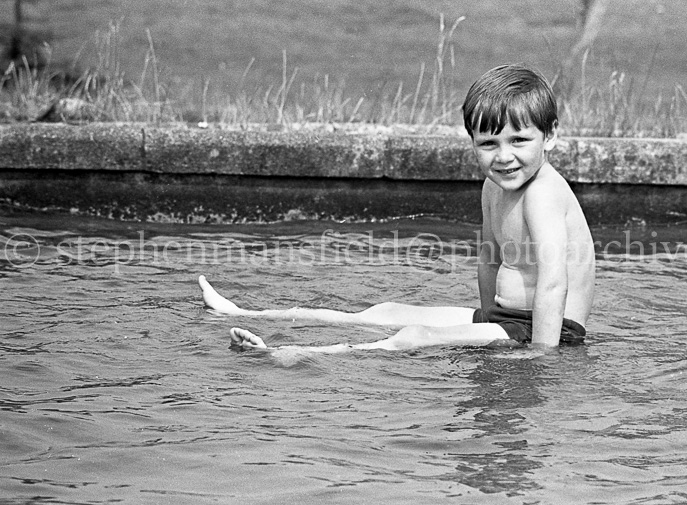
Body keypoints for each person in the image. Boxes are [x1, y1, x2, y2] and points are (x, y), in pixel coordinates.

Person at [200, 63, 595, 354]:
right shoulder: (494, 187)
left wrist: (540, 355)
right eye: (489, 144)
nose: (504, 157)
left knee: (416, 336)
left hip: (549, 329)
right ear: (472, 141)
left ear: (550, 136)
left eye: (519, 141)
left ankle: (289, 353)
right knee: (384, 312)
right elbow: (490, 260)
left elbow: (553, 282)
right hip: (506, 319)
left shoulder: (543, 193)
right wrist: (483, 325)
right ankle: (244, 313)